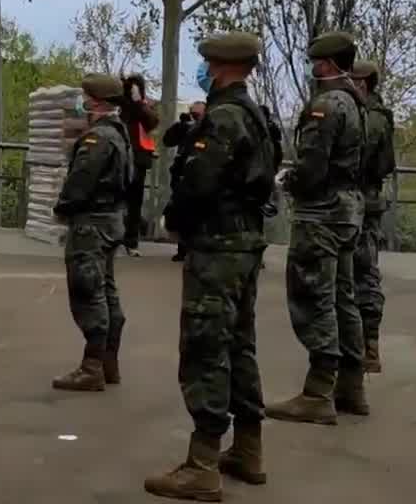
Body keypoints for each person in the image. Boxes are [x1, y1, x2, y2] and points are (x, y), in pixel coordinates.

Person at [144, 33, 277, 501]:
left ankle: (202, 464)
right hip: (244, 243)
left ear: (217, 65)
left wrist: (173, 219)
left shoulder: (223, 118)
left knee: (204, 346)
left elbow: (200, 181)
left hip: (217, 245)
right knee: (240, 344)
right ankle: (247, 450)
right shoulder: (255, 115)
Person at [267, 31, 368, 426]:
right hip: (347, 211)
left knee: (314, 296)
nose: (313, 69)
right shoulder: (359, 103)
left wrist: (287, 183)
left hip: (322, 212)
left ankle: (318, 391)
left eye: (315, 63)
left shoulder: (326, 105)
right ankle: (351, 387)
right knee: (344, 297)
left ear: (325, 63)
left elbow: (313, 165)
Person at [52, 74, 132, 392]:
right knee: (107, 290)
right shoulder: (119, 133)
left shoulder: (97, 139)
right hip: (112, 220)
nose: (80, 102)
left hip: (91, 223)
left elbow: (81, 180)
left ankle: (92, 366)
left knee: (88, 291)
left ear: (95, 101)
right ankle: (108, 361)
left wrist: (63, 208)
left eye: (85, 96)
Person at [351, 60, 395, 373]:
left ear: (364, 82)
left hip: (361, 203)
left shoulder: (372, 118)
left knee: (363, 273)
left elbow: (370, 161)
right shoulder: (374, 115)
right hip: (364, 201)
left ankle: (368, 346)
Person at [162, 100, 207, 262]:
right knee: (180, 211)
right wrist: (180, 125)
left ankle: (196, 247)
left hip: (199, 175)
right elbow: (167, 141)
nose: (194, 117)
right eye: (192, 113)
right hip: (181, 175)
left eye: (197, 114)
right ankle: (182, 248)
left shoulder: (209, 128)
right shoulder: (185, 128)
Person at [120, 74, 159, 256]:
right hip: (121, 157)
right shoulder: (121, 106)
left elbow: (151, 123)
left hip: (138, 159)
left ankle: (131, 241)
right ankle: (116, 236)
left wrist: (138, 102)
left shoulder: (145, 107)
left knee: (134, 202)